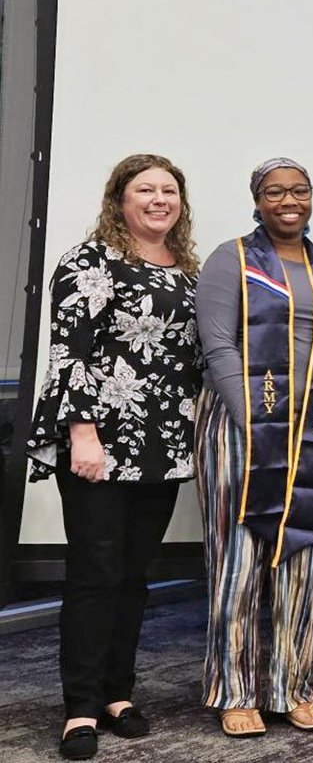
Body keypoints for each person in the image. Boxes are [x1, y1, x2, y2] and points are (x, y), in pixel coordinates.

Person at [26, 154, 203, 760]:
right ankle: (78, 708)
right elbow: (68, 353)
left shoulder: (187, 271)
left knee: (132, 576)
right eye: (145, 189)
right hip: (98, 443)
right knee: (94, 574)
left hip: (163, 445)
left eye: (169, 190)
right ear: (119, 199)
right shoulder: (90, 260)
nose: (160, 199)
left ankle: (116, 694)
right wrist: (82, 433)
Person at [193, 158, 313, 736]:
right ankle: (235, 691)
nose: (290, 200)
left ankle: (291, 685)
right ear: (256, 200)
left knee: (303, 558)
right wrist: (254, 422)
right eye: (275, 191)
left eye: (300, 190)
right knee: (237, 562)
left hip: (312, 428)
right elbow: (218, 347)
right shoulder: (228, 259)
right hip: (240, 429)